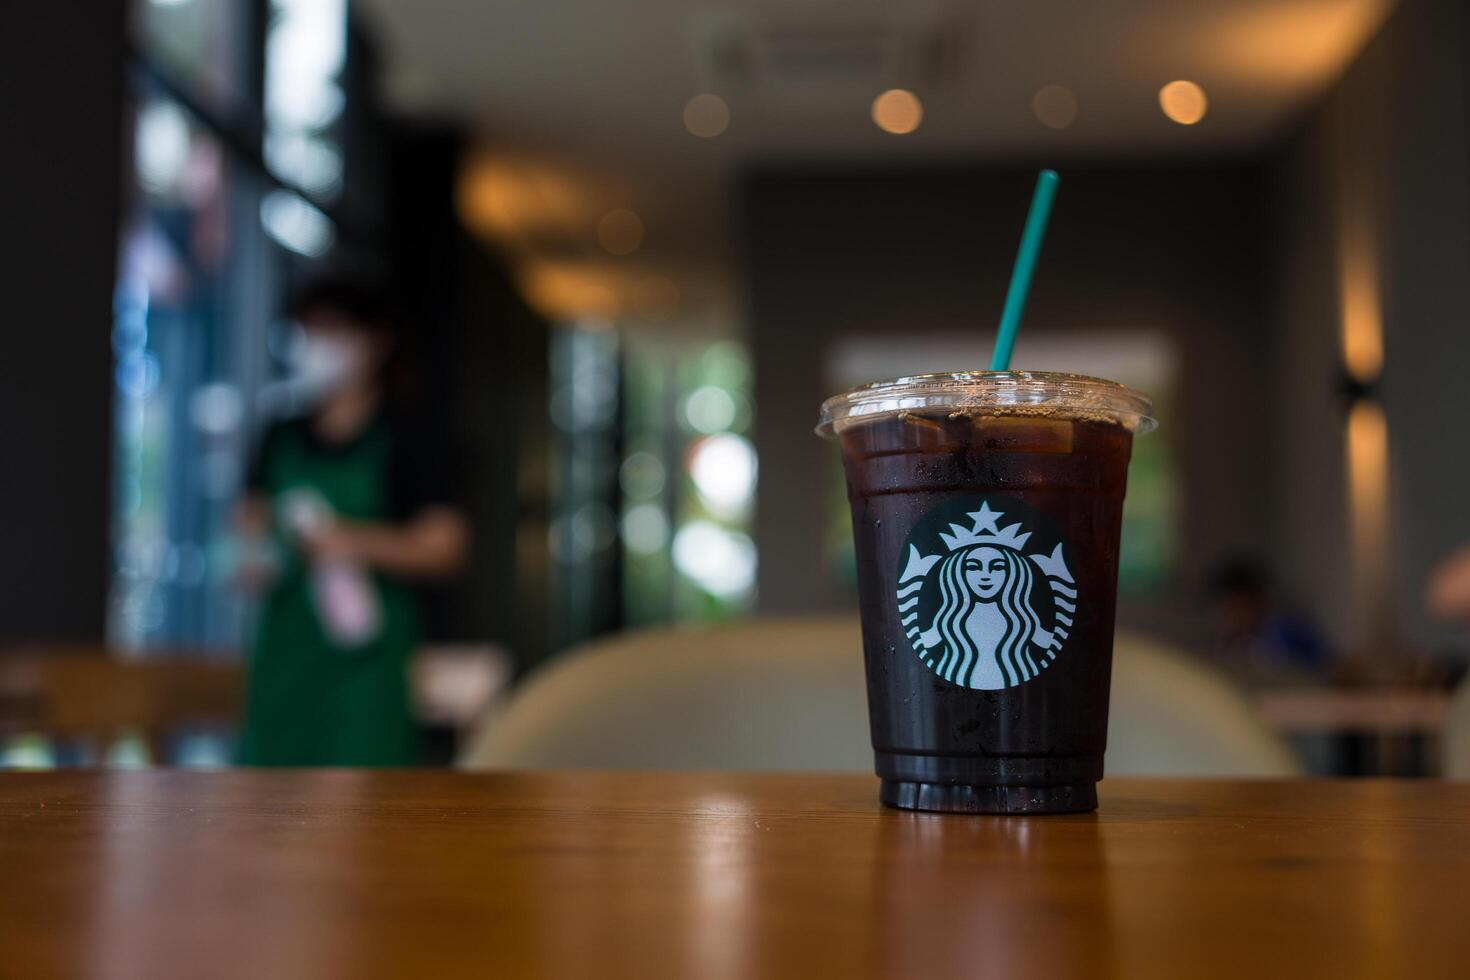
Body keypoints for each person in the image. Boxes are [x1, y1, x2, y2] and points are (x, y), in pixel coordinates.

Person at [236, 278, 468, 766]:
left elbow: (447, 547)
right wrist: (252, 560)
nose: (317, 345)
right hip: (285, 656)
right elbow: (247, 528)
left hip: (369, 665)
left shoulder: (404, 437)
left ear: (376, 343)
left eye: (333, 331)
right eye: (308, 330)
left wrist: (352, 543)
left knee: (363, 808)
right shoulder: (281, 434)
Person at [1204, 558, 1331, 678]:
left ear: (1254, 602)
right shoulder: (1237, 643)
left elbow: (1330, 668)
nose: (1224, 619)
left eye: (1231, 608)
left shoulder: (1285, 631)